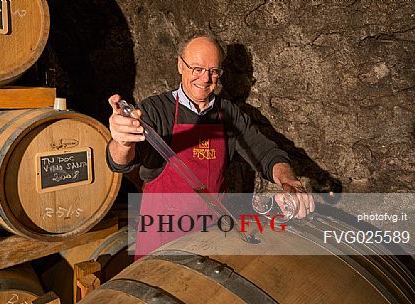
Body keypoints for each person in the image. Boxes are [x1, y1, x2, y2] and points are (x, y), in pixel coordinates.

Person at [107, 34, 314, 257]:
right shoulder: (155, 110)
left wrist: (288, 179)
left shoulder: (229, 113)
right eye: (197, 69)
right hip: (162, 236)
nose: (205, 79)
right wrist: (122, 141)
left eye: (213, 71)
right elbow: (120, 162)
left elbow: (265, 152)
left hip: (213, 235)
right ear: (180, 65)